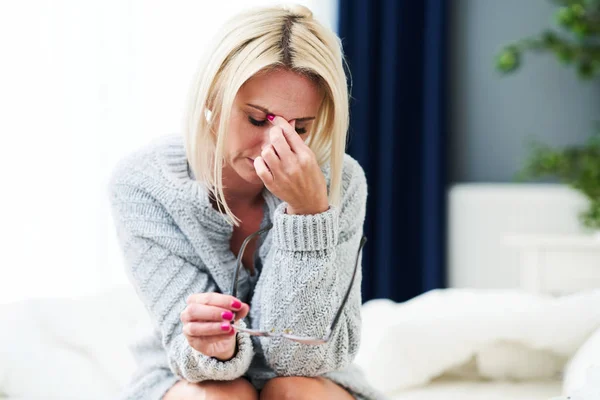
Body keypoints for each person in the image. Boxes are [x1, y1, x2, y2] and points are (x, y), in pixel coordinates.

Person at [108, 4, 385, 400]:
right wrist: (217, 349)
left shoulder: (340, 183)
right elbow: (187, 350)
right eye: (258, 120)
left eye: (299, 129)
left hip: (313, 380)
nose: (276, 146)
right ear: (213, 97)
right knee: (223, 394)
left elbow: (299, 359)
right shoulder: (145, 184)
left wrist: (309, 215)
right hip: (183, 376)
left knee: (293, 391)